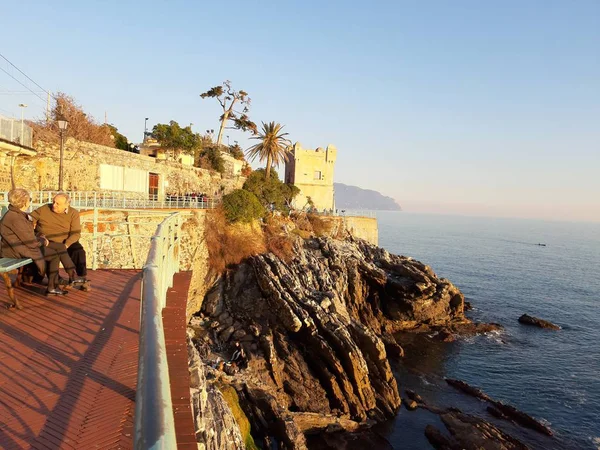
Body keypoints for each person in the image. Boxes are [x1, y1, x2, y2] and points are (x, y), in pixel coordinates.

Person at [0, 188, 69, 295]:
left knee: (56, 249)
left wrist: (40, 237)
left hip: (15, 247)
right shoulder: (16, 218)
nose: (29, 201)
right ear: (23, 202)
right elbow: (30, 242)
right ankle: (52, 286)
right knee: (54, 255)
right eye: (29, 199)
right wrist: (43, 241)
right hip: (14, 251)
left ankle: (54, 282)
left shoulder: (15, 214)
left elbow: (26, 236)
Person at [31, 193, 90, 290]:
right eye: (54, 202)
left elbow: (76, 233)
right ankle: (56, 279)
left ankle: (82, 278)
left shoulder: (73, 213)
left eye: (58, 203)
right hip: (48, 241)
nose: (54, 205)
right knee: (53, 253)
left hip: (65, 241)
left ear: (66, 205)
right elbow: (30, 219)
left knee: (78, 251)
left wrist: (67, 244)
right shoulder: (44, 209)